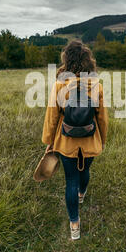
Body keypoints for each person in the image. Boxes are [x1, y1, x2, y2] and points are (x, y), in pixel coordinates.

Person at [42, 40, 109, 240]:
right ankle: (82, 195)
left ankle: (74, 225)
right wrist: (102, 140)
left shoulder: (59, 84)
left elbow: (52, 116)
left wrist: (48, 140)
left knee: (70, 180)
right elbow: (102, 118)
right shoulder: (97, 86)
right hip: (90, 141)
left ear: (66, 61)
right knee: (84, 171)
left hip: (65, 141)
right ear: (88, 61)